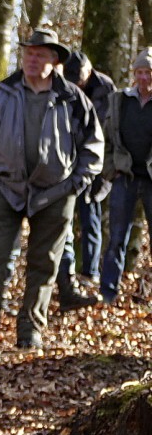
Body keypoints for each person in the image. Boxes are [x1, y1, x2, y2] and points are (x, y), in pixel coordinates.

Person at [0, 29, 103, 351]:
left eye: (40, 54)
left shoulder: (72, 99)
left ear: (54, 60)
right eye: (28, 53)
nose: (32, 59)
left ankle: (31, 329)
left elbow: (93, 146)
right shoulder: (1, 93)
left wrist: (76, 183)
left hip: (56, 193)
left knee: (45, 263)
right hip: (5, 188)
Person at [56, 51, 115, 308]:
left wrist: (101, 170)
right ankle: (63, 273)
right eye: (70, 78)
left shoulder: (105, 89)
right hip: (66, 161)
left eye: (78, 77)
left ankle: (90, 271)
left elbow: (105, 129)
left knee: (90, 215)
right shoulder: (63, 86)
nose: (74, 83)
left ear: (89, 71)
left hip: (96, 162)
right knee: (63, 219)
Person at [98, 50, 152, 304]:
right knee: (117, 237)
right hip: (125, 177)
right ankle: (109, 292)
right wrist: (111, 169)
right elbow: (106, 138)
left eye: (148, 73)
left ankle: (146, 292)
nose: (144, 78)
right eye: (140, 72)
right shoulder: (120, 101)